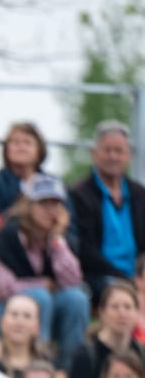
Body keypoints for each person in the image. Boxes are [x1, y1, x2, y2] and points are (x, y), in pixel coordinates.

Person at [0, 174, 89, 373]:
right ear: (28, 205)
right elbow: (5, 287)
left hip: (40, 313)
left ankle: (68, 371)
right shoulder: (7, 237)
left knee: (77, 299)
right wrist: (42, 284)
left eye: (55, 204)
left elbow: (73, 281)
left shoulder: (59, 240)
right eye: (43, 204)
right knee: (37, 297)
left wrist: (58, 240)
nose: (50, 210)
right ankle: (36, 367)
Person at [69, 120, 145, 295]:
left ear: (129, 156)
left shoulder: (139, 194)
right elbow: (85, 250)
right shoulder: (79, 194)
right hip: (98, 276)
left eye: (119, 151)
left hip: (138, 274)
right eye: (107, 150)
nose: (113, 156)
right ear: (94, 154)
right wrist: (125, 279)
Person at [68, 280, 145, 378]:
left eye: (128, 307)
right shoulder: (86, 355)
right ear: (102, 312)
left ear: (136, 312)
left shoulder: (141, 352)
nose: (122, 313)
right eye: (115, 307)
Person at [0, 122, 76, 228]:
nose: (21, 147)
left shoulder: (55, 184)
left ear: (39, 149)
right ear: (6, 149)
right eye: (15, 142)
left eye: (27, 142)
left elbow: (70, 225)